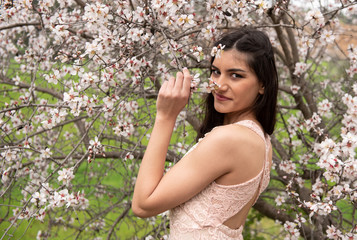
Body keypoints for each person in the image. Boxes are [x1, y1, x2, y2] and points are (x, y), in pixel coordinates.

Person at [132, 27, 278, 239]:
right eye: (216, 71)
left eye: (236, 76)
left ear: (262, 84)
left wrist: (165, 117)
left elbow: (143, 205)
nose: (218, 85)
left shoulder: (230, 139)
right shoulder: (261, 140)